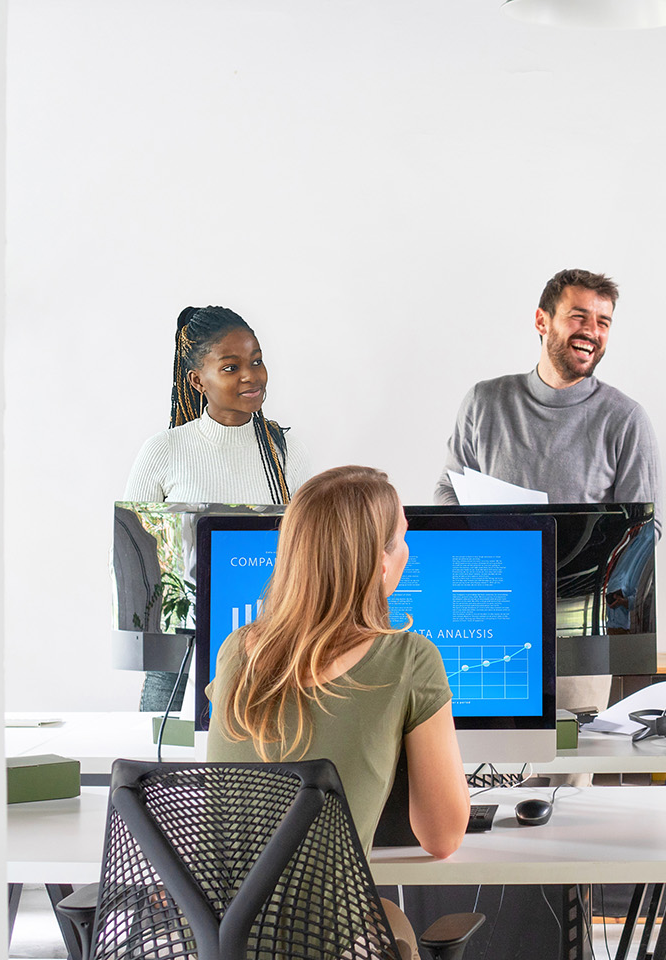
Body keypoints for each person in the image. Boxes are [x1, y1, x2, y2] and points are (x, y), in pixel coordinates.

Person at [434, 268, 660, 750]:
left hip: (577, 625)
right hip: (490, 616)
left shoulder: (625, 419)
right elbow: (446, 496)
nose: (592, 332)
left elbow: (646, 530)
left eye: (603, 322)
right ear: (542, 320)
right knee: (484, 761)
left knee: (569, 774)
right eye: (579, 316)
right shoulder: (485, 401)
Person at [206, 465, 470, 860]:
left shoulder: (236, 649)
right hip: (328, 924)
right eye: (402, 537)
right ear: (381, 566)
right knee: (394, 920)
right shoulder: (411, 658)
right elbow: (442, 839)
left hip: (218, 920)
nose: (408, 548)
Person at [124, 305, 312, 710]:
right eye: (231, 367)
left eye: (257, 361)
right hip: (178, 655)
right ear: (197, 380)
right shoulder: (164, 451)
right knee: (164, 759)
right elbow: (131, 555)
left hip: (266, 644)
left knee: (258, 760)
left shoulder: (285, 450)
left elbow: (310, 545)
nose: (251, 375)